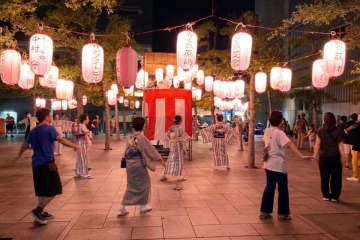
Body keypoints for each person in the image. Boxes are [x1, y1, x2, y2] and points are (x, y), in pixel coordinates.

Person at [26, 108, 80, 225]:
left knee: (41, 190)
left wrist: (18, 155)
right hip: (48, 163)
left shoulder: (33, 131)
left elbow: (26, 145)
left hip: (36, 164)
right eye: (50, 116)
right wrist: (74, 146)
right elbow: (60, 140)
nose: (51, 118)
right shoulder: (50, 129)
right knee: (55, 189)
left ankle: (41, 211)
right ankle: (38, 210)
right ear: (46, 117)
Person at [260, 110, 312, 221]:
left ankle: (264, 212)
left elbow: (266, 146)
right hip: (278, 165)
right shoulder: (279, 133)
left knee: (269, 187)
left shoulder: (267, 130)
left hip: (268, 164)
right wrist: (301, 156)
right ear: (280, 121)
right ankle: (282, 214)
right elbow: (290, 144)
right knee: (282, 189)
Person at [118, 117, 165, 216]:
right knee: (145, 183)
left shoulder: (130, 137)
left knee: (131, 185)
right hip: (138, 164)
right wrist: (160, 159)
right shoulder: (141, 137)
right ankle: (143, 205)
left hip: (129, 164)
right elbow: (150, 149)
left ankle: (123, 206)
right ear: (143, 126)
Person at [314, 112, 346, 202]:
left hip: (323, 157)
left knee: (324, 177)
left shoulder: (320, 130)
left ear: (324, 120)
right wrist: (344, 158)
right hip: (335, 157)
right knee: (336, 177)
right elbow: (340, 145)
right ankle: (335, 196)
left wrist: (314, 155)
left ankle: (325, 195)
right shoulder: (338, 130)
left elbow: (317, 144)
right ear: (334, 120)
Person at [161, 115, 190, 190]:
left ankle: (164, 174)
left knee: (170, 160)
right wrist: (188, 138)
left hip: (173, 146)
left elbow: (166, 136)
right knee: (179, 162)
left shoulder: (171, 128)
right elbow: (184, 136)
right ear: (180, 121)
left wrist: (172, 140)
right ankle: (178, 176)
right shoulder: (179, 128)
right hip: (178, 147)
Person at [74, 114, 93, 179]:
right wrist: (88, 132)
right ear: (85, 119)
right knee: (83, 158)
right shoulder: (82, 125)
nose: (88, 120)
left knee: (80, 158)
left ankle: (78, 172)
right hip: (82, 143)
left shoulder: (81, 125)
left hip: (81, 142)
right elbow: (86, 132)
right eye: (87, 118)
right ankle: (85, 174)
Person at [345, 113, 360, 182]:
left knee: (354, 161)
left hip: (357, 145)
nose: (358, 117)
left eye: (359, 116)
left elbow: (350, 128)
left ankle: (355, 176)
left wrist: (346, 130)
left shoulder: (358, 124)